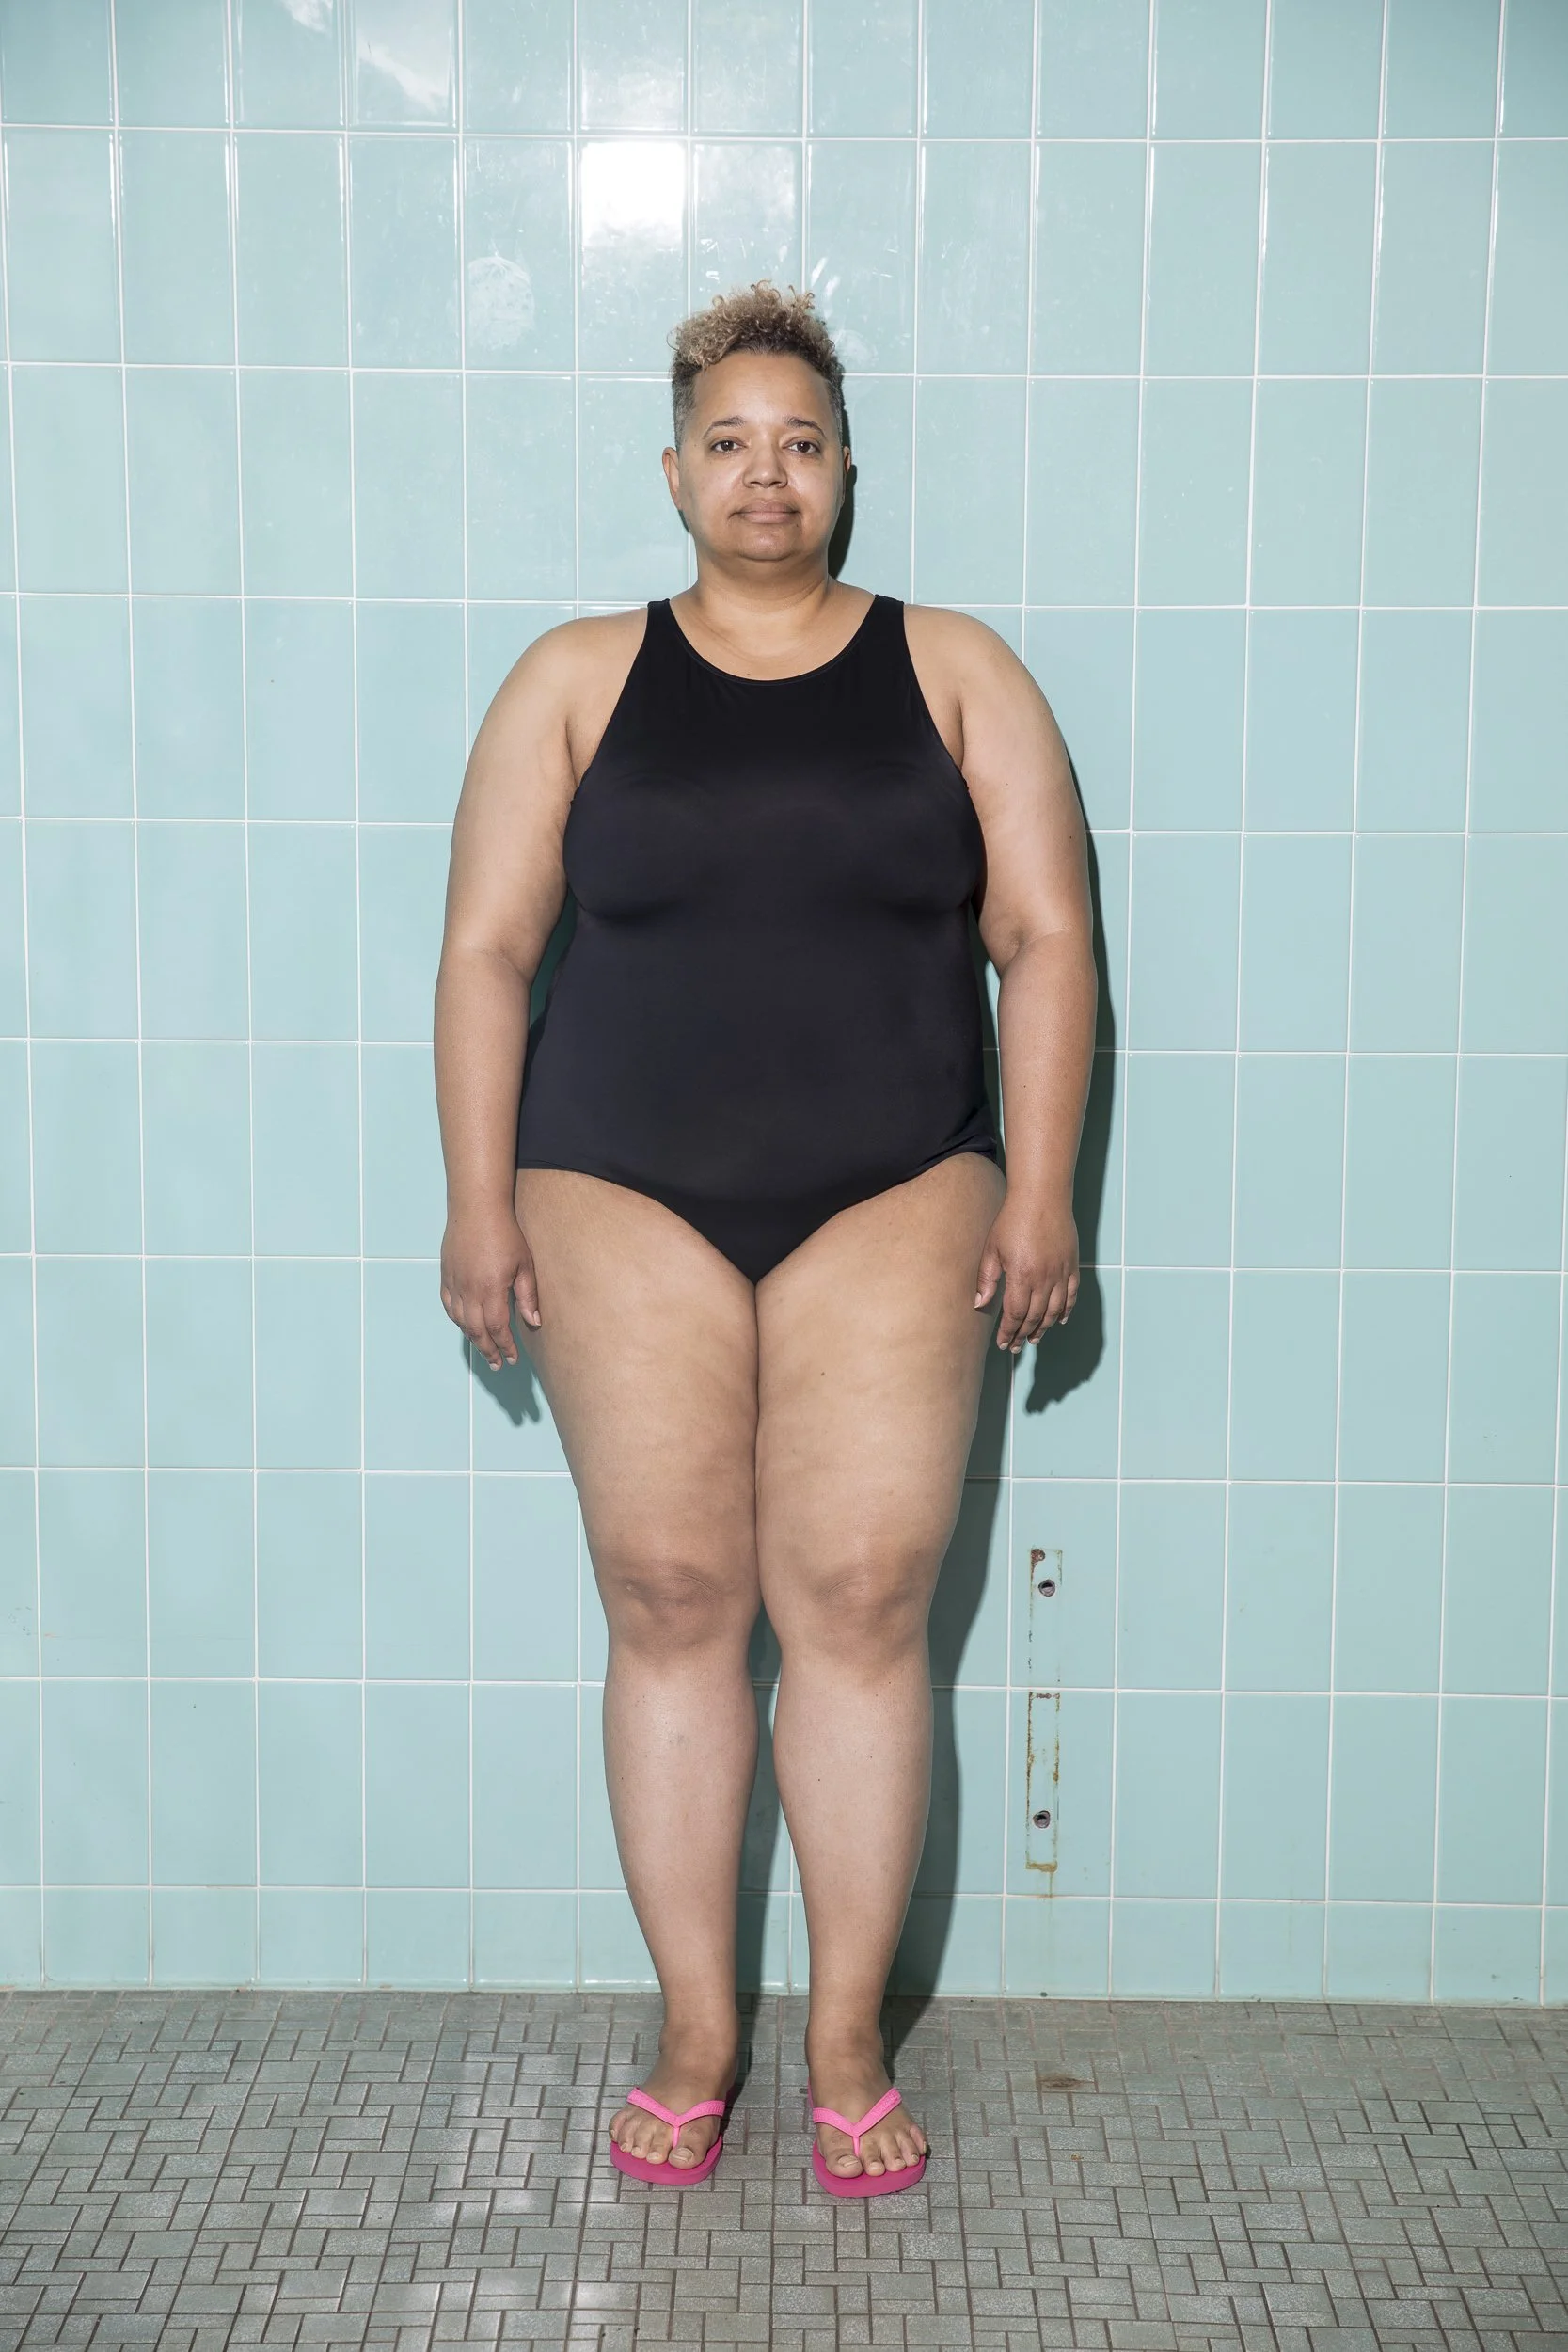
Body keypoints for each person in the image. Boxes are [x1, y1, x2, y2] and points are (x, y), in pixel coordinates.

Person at [433, 281, 1096, 2193]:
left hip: (895, 1180)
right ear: (672, 470)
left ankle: (843, 2027)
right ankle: (699, 2024)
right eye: (727, 439)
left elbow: (1043, 938)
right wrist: (477, 1196)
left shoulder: (955, 665)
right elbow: (484, 953)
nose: (764, 472)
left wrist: (1039, 1185)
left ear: (844, 472)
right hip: (611, 1179)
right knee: (664, 1594)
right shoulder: (574, 677)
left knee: (865, 1600)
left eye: (798, 440)